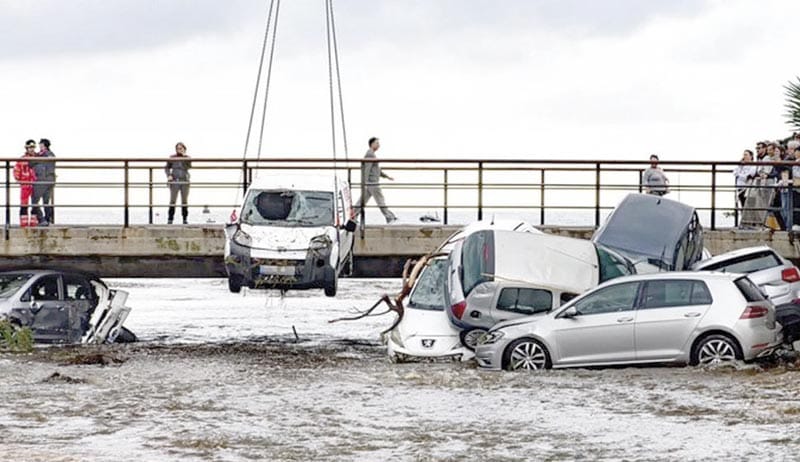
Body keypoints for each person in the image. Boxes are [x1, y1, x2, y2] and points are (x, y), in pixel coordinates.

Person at [354, 137, 397, 223]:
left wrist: (387, 176)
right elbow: (367, 169)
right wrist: (364, 182)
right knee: (380, 200)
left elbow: (376, 170)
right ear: (372, 144)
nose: (379, 145)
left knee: (362, 201)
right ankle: (389, 217)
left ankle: (353, 216)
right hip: (372, 183)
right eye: (377, 143)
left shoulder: (371, 154)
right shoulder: (370, 154)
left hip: (370, 183)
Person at [29, 138, 56, 226]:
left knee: (34, 200)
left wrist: (33, 159)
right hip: (51, 180)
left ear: (43, 145)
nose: (39, 146)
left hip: (42, 180)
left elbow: (31, 163)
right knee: (46, 201)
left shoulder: (42, 155)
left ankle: (41, 219)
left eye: (40, 144)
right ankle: (48, 220)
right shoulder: (51, 154)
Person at [165, 142, 191, 224]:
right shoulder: (172, 157)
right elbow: (166, 167)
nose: (179, 150)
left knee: (184, 201)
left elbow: (189, 167)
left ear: (184, 149)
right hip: (175, 180)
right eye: (178, 148)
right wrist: (169, 175)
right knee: (172, 200)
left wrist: (184, 158)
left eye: (181, 148)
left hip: (185, 180)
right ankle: (170, 219)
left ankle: (185, 218)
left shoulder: (188, 158)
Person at [13, 140, 38, 224]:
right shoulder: (22, 159)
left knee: (35, 202)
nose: (32, 149)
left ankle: (34, 222)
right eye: (30, 147)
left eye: (33, 147)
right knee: (24, 203)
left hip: (36, 184)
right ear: (27, 148)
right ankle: (24, 223)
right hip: (25, 184)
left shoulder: (38, 158)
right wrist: (20, 180)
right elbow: (16, 170)